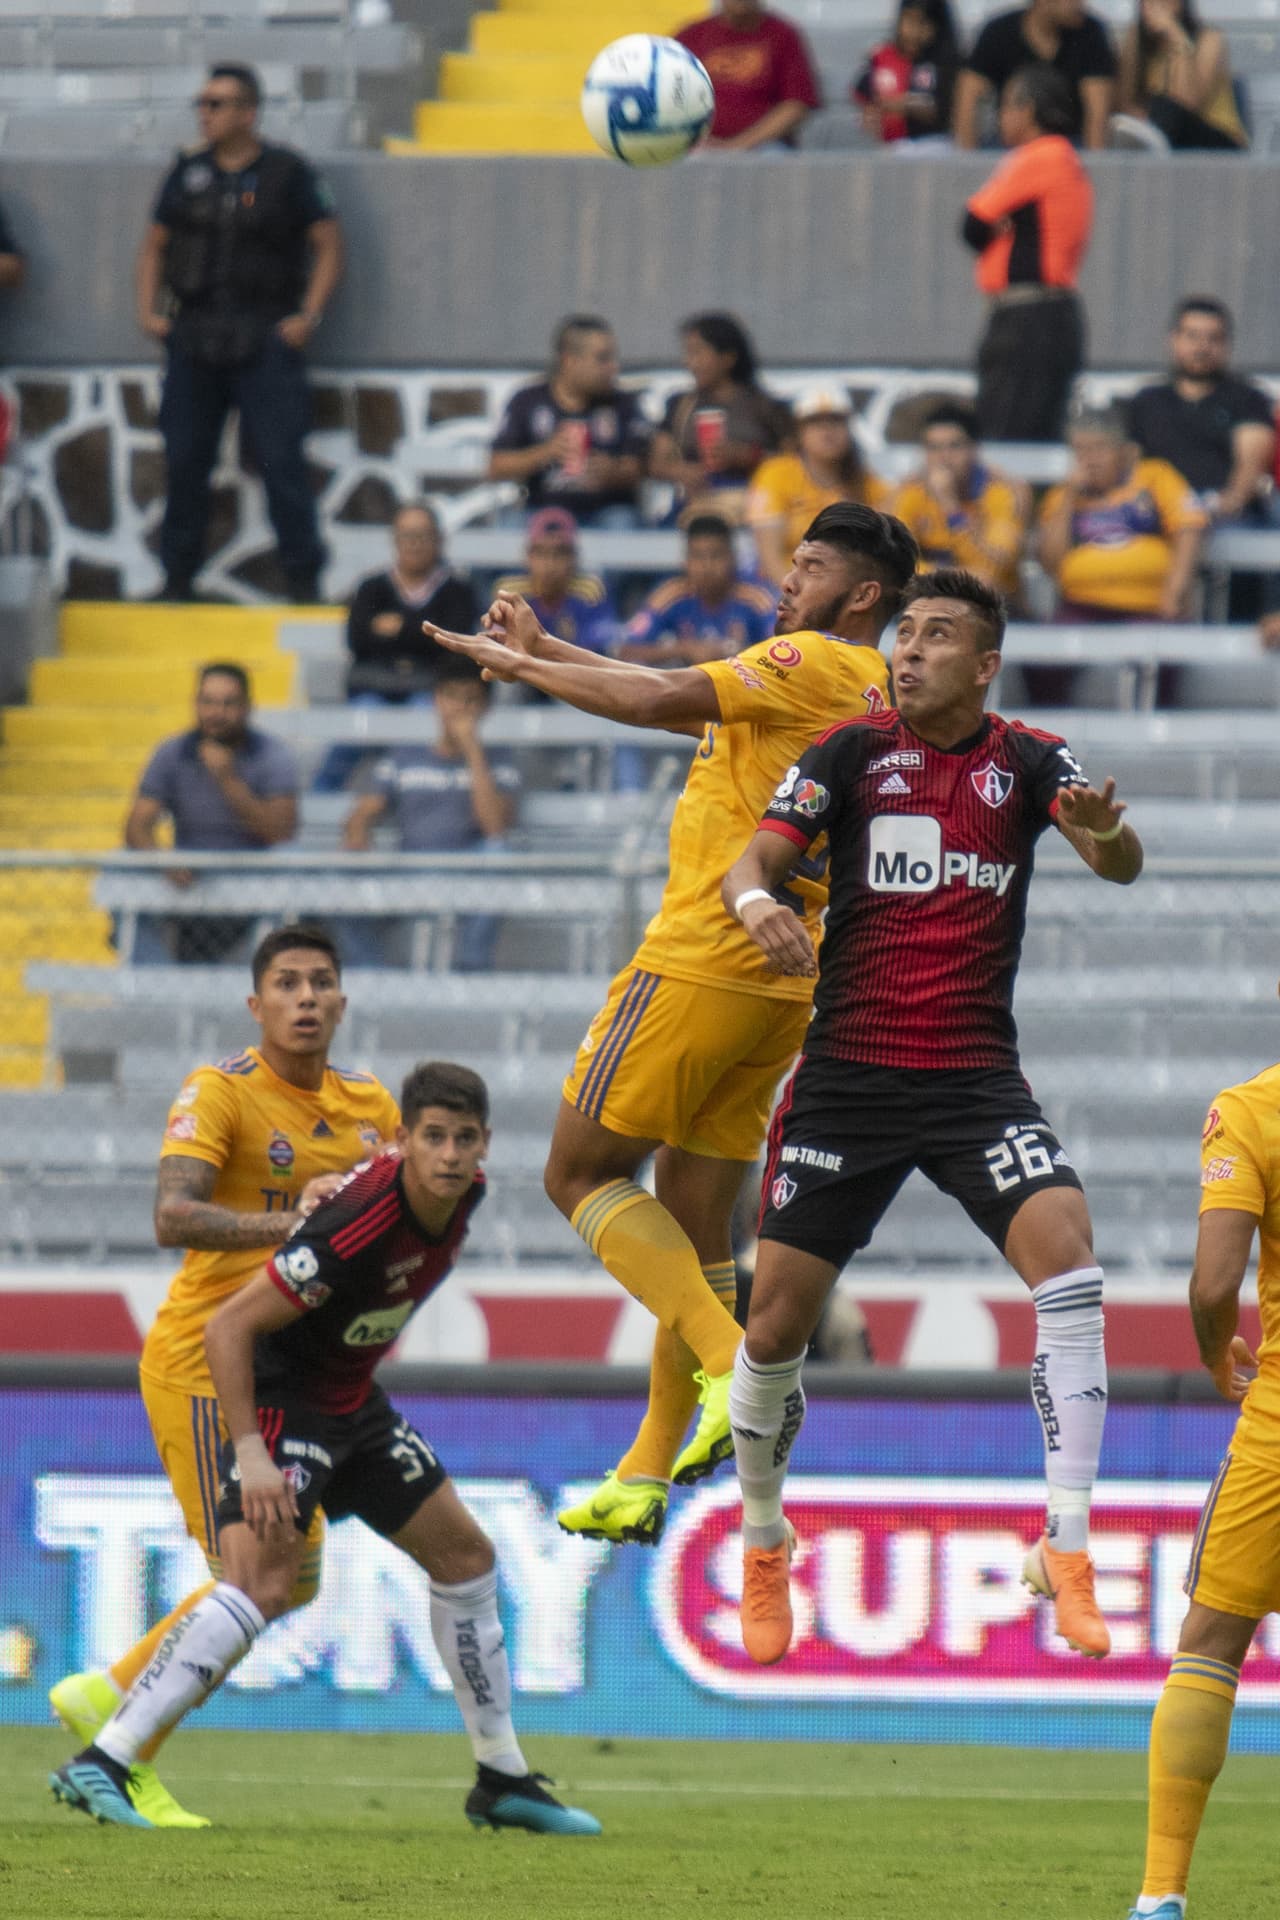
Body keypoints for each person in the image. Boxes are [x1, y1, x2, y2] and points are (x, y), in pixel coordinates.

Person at [426, 504, 916, 1546]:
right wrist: (546, 646)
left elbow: (656, 697)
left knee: (575, 1172)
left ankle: (735, 1369)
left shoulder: (810, 658)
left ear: (863, 593)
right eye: (790, 560)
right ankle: (648, 1468)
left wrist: (521, 674)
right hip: (781, 980)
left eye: (812, 564)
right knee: (696, 1226)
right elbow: (682, 701)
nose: (788, 580)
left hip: (705, 951)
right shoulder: (863, 691)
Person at [720, 567, 1143, 1667]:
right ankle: (764, 1541)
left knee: (1072, 1269)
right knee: (770, 1330)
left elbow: (1116, 861)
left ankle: (1066, 1544)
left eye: (934, 635)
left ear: (984, 663)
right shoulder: (850, 754)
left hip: (970, 1081)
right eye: (901, 632)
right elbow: (753, 861)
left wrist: (1104, 836)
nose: (906, 651)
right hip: (848, 1082)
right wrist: (762, 904)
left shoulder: (1027, 760)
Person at [51, 1062, 602, 1840]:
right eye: (433, 1138)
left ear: (485, 1148)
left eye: (464, 1140)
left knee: (466, 1558)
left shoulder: (463, 1196)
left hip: (354, 1407)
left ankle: (501, 1777)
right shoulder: (360, 1221)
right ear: (404, 1140)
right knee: (263, 1583)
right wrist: (250, 1453)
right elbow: (229, 1327)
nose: (449, 1155)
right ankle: (103, 1761)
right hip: (285, 1405)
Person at [48, 926, 400, 1827]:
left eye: (322, 981)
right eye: (287, 984)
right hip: (211, 1363)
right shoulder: (221, 1092)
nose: (307, 997)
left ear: (343, 1001)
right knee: (254, 1578)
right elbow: (173, 1215)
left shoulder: (373, 1108)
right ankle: (120, 1757)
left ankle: (113, 1691)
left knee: (298, 1579)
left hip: (299, 1371)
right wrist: (292, 1230)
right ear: (257, 1005)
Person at [1121, 1060, 1279, 1920]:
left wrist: (1217, 1349)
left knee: (1213, 1637)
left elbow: (1216, 1284)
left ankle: (1161, 1896)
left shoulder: (1252, 1111)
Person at [136, 64, 341, 603]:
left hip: (263, 331)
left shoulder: (287, 172)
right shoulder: (187, 172)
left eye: (217, 104)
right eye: (202, 103)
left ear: (248, 112)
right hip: (197, 330)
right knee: (185, 458)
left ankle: (302, 578)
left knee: (280, 459)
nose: (205, 113)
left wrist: (308, 317)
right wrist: (149, 312)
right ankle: (177, 578)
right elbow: (155, 244)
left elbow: (329, 245)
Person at [341, 665, 521, 971]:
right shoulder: (404, 756)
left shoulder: (500, 762)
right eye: (451, 697)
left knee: (500, 853)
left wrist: (473, 751)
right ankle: (371, 972)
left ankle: (470, 966)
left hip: (468, 872)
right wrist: (358, 832)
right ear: (436, 700)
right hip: (407, 867)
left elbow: (494, 829)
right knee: (338, 873)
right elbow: (364, 811)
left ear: (485, 708)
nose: (460, 708)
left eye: (471, 700)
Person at [123, 662, 299, 965]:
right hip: (187, 875)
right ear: (195, 704)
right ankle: (160, 989)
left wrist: (227, 779)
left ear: (247, 707)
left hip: (252, 874)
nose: (216, 713)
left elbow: (280, 831)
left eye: (228, 703)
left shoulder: (271, 753)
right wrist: (163, 861)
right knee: (120, 868)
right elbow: (136, 827)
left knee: (295, 863)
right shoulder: (173, 752)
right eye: (208, 702)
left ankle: (262, 979)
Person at [1126, 298, 1278, 636]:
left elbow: (1251, 463)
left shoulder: (1247, 398)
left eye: (1213, 338)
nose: (1202, 347)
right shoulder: (1146, 401)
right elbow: (1130, 465)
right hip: (1158, 517)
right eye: (1193, 336)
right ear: (1174, 340)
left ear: (1227, 345)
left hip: (1225, 516)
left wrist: (1229, 501)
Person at [963, 66, 1094, 445]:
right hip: (1053, 317)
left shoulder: (1040, 156)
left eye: (1006, 106)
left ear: (1028, 109)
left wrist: (999, 228)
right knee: (1038, 434)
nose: (1001, 117)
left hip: (1027, 321)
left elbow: (972, 224)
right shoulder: (1067, 160)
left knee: (1005, 437)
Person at [313, 502, 479, 794]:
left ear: (439, 539)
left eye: (423, 536)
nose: (414, 545)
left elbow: (454, 645)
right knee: (355, 724)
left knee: (422, 724)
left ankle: (414, 803)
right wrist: (423, 631)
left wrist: (397, 628)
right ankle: (319, 802)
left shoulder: (458, 590)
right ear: (394, 540)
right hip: (373, 689)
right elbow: (357, 640)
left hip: (430, 691)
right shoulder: (371, 587)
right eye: (406, 536)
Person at [1038, 405, 1207, 621]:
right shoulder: (1063, 496)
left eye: (1099, 448)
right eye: (1080, 450)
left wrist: (1175, 591)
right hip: (1082, 604)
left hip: (1149, 604)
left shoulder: (1155, 476)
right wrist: (1069, 498)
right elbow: (1050, 562)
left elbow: (1189, 528)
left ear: (1124, 451)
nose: (1089, 459)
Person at [487, 314, 650, 527]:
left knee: (623, 523)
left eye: (613, 358)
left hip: (604, 512)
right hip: (542, 510)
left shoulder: (623, 404)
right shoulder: (527, 401)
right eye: (603, 359)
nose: (613, 367)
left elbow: (639, 466)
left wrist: (612, 472)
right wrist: (547, 452)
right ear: (570, 361)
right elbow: (496, 467)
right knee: (510, 526)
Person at [650, 313, 791, 525]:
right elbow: (656, 463)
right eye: (688, 353)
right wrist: (682, 471)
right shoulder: (680, 405)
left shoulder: (763, 406)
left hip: (752, 507)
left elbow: (795, 461)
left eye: (697, 352)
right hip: (694, 504)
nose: (689, 362)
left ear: (728, 358)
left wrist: (748, 457)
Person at [747, 387, 889, 586]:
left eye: (836, 421)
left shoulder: (869, 485)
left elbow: (885, 553)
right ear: (799, 432)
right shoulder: (775, 474)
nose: (827, 431)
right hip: (782, 587)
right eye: (815, 423)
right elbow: (770, 558)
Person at [891, 401, 1028, 602]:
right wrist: (952, 577)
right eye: (934, 448)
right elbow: (896, 564)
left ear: (974, 450)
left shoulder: (999, 495)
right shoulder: (912, 494)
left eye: (954, 446)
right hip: (926, 599)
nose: (944, 458)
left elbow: (993, 569)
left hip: (989, 606)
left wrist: (950, 506)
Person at [617, 514, 777, 666]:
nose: (706, 566)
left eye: (716, 555)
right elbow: (625, 651)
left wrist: (734, 653)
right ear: (685, 560)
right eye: (697, 556)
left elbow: (782, 653)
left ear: (733, 558)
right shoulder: (671, 595)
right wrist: (685, 649)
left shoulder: (756, 599)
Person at [953, 0, 1116, 147]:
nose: (1080, 4)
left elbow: (1097, 116)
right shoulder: (998, 33)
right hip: (1009, 147)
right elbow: (967, 101)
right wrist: (968, 165)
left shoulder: (1091, 34)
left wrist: (1094, 169)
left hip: (1069, 148)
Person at [676, 0, 821, 151]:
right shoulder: (691, 36)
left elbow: (796, 106)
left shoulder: (784, 36)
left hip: (764, 145)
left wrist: (738, 146)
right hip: (696, 146)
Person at [491, 508, 616, 679]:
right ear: (527, 556)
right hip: (524, 673)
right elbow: (498, 644)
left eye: (560, 553)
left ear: (574, 558)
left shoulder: (590, 590)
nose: (550, 564)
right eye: (541, 553)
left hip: (571, 674)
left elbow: (599, 649)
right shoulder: (510, 591)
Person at [1117, 0, 1248, 148]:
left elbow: (1186, 103)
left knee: (1166, 107)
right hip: (1164, 138)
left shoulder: (1210, 38)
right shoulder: (1137, 40)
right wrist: (1134, 40)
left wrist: (1175, 36)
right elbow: (1125, 103)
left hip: (1216, 139)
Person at [853, 0, 961, 143]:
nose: (914, 31)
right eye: (909, 21)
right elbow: (864, 94)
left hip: (937, 143)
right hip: (890, 145)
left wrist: (901, 104)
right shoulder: (884, 57)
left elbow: (945, 109)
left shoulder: (948, 64)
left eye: (923, 23)